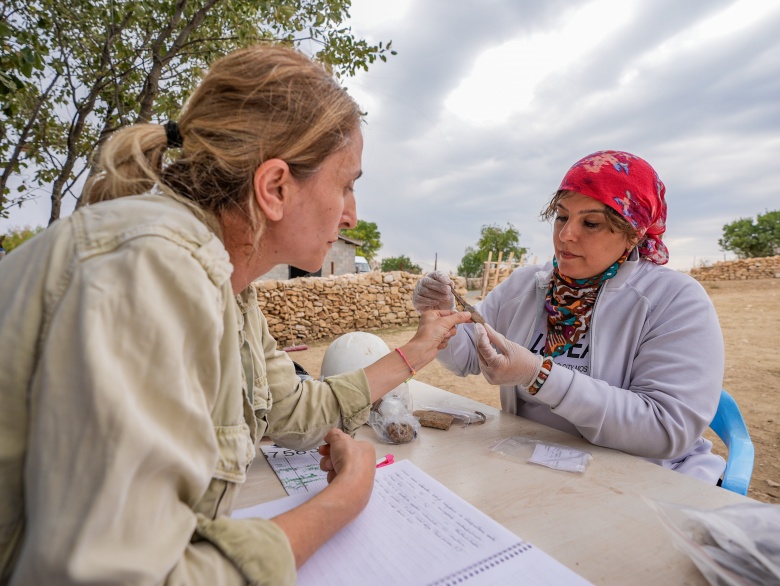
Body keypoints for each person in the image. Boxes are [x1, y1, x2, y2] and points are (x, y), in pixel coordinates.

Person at [0, 44, 471, 585]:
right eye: (345, 185)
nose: (352, 214)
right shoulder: (155, 271)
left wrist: (414, 351)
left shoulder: (227, 284)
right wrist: (340, 503)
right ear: (274, 188)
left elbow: (292, 409)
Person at [413, 150, 726, 484]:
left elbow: (665, 429)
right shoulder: (526, 286)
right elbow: (467, 360)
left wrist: (539, 375)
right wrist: (442, 314)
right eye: (562, 217)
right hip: (537, 470)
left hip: (643, 480)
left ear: (634, 232)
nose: (566, 235)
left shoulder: (673, 300)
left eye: (590, 223)